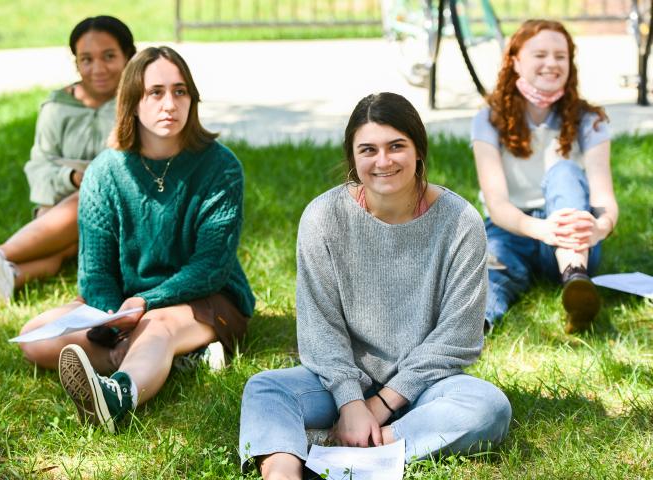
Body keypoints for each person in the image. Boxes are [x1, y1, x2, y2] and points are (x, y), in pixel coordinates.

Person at [239, 93, 511, 479]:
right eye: (368, 149)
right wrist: (350, 402)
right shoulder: (323, 217)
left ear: (418, 151)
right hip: (338, 384)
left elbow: (457, 337)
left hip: (426, 389)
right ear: (353, 158)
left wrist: (380, 407)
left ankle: (344, 451)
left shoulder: (460, 222)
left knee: (489, 406)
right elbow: (320, 326)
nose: (383, 161)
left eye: (396, 146)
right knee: (266, 389)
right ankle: (284, 473)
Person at [17, 46, 255, 433]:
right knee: (34, 338)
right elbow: (95, 273)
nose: (170, 104)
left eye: (180, 92)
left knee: (157, 326)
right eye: (155, 92)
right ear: (131, 101)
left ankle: (118, 395)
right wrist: (116, 319)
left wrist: (144, 304)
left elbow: (211, 266)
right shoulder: (104, 172)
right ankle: (169, 357)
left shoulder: (221, 166)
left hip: (207, 298)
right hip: (126, 307)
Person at [0, 15, 136, 303]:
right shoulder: (57, 107)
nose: (98, 68)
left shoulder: (138, 104)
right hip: (58, 207)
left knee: (89, 197)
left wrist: (92, 182)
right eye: (86, 59)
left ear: (129, 56)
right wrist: (70, 177)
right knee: (64, 244)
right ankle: (6, 277)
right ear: (76, 62)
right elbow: (39, 167)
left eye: (109, 56)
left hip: (118, 214)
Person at [471, 19, 617, 333]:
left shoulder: (589, 120)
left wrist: (598, 229)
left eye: (560, 56)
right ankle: (475, 326)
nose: (551, 63)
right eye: (540, 55)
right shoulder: (488, 119)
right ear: (515, 60)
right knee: (493, 271)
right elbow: (496, 205)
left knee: (563, 171)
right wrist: (541, 230)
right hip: (513, 227)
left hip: (572, 237)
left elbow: (604, 199)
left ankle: (575, 280)